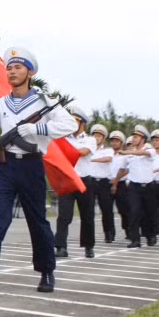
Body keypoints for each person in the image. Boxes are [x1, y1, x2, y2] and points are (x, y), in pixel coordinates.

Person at [0, 47, 76, 299]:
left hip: (31, 166)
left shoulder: (44, 102)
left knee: (37, 221)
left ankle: (47, 271)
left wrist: (37, 129)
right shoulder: (1, 104)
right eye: (9, 68)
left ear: (29, 71)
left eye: (18, 67)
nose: (12, 72)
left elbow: (69, 124)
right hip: (5, 168)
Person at [54, 107, 97, 259]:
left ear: (83, 124)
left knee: (87, 215)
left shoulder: (90, 140)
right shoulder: (63, 139)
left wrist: (66, 150)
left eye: (75, 122)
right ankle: (61, 247)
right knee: (64, 215)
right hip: (66, 180)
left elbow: (83, 152)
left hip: (84, 181)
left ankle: (89, 247)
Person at [116, 125, 157, 247]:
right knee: (134, 212)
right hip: (134, 187)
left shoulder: (150, 150)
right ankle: (135, 239)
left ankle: (150, 236)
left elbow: (142, 153)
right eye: (133, 137)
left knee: (148, 213)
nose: (133, 139)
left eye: (136, 137)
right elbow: (122, 169)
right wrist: (115, 181)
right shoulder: (127, 155)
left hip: (148, 187)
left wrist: (128, 152)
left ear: (143, 139)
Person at [86, 124, 117, 243]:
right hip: (91, 181)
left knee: (106, 209)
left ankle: (109, 233)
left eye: (99, 136)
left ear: (103, 138)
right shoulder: (88, 150)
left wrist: (93, 159)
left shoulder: (107, 150)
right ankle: (90, 235)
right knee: (89, 210)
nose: (96, 138)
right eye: (94, 135)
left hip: (104, 182)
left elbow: (108, 159)